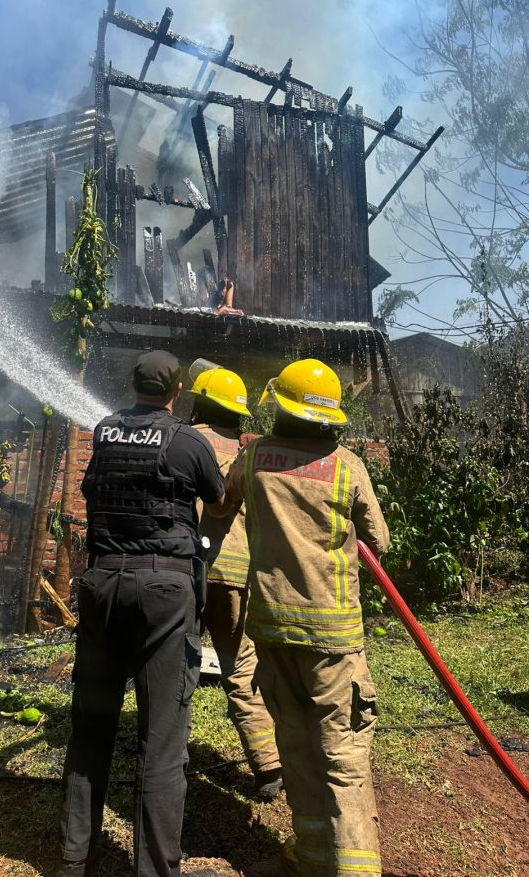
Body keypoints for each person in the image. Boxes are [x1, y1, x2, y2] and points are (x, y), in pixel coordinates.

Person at [215, 359, 390, 877]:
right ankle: (354, 870)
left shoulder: (250, 460)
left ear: (280, 404)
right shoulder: (346, 466)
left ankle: (313, 858)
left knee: (294, 742)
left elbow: (222, 505)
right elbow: (378, 541)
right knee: (342, 753)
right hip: (332, 638)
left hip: (271, 630)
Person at [58, 350, 224, 877]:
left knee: (91, 727)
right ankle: (155, 869)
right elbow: (218, 499)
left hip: (102, 585)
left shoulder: (104, 432)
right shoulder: (188, 440)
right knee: (162, 742)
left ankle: (72, 857)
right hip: (164, 593)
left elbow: (91, 490)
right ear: (178, 391)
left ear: (132, 384)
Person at [188, 360, 282, 799]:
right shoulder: (251, 453)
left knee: (178, 666)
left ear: (201, 403)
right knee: (241, 668)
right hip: (239, 574)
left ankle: (171, 759)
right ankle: (268, 767)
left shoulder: (186, 442)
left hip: (190, 571)